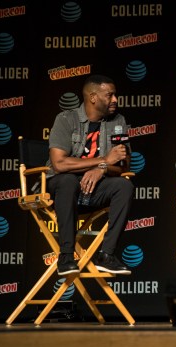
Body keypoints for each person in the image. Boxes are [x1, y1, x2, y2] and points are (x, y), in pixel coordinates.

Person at [47, 74, 134, 276]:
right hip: (62, 189)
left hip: (95, 188)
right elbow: (59, 164)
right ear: (93, 97)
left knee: (124, 185)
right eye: (109, 95)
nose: (115, 100)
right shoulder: (66, 119)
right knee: (68, 180)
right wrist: (103, 160)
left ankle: (106, 255)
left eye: (115, 95)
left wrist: (102, 169)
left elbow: (122, 165)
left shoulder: (118, 121)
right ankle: (66, 256)